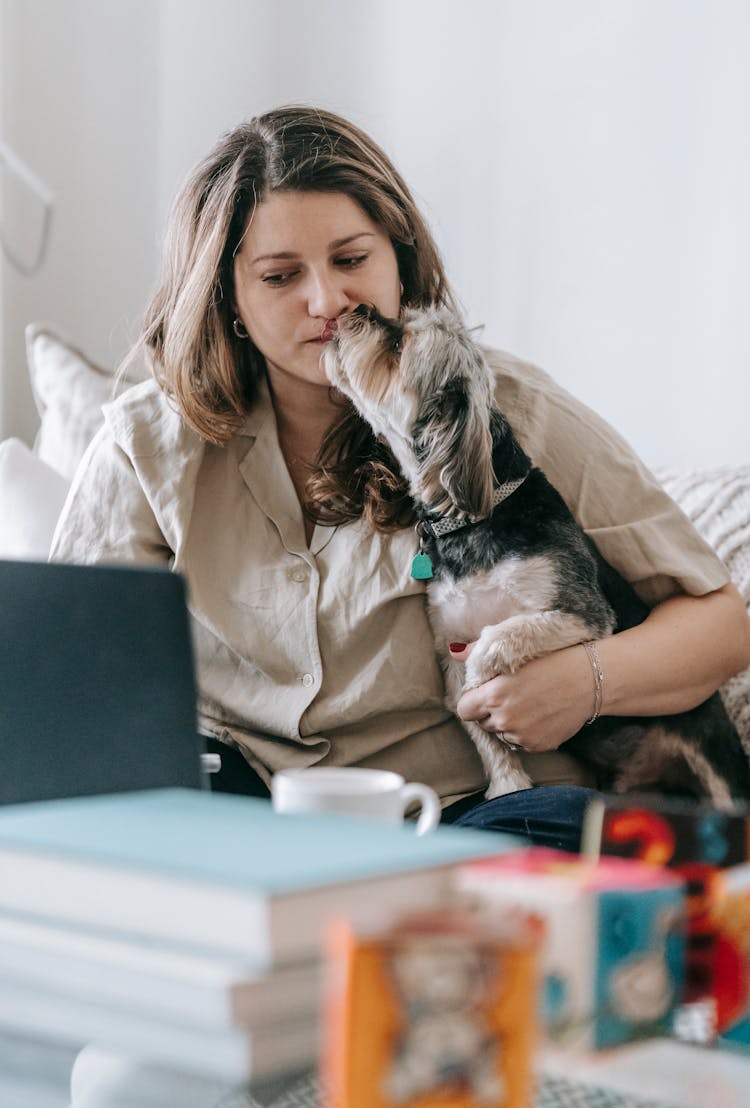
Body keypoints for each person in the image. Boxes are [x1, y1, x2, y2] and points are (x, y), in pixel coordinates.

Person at [50, 106, 750, 851]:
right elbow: (65, 668)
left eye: (351, 260)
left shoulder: (496, 411)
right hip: (235, 797)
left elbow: (719, 623)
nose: (327, 302)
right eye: (281, 276)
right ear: (228, 296)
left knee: (579, 834)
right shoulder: (146, 442)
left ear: (398, 258)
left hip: (461, 813)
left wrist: (587, 681)